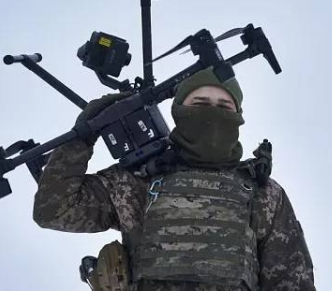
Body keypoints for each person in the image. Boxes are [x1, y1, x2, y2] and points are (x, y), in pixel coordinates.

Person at [33, 67, 316, 291]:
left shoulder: (264, 193)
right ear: (178, 111)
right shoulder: (134, 182)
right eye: (201, 103)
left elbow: (291, 283)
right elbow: (54, 210)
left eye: (223, 106)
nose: (212, 113)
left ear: (238, 116)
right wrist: (82, 136)